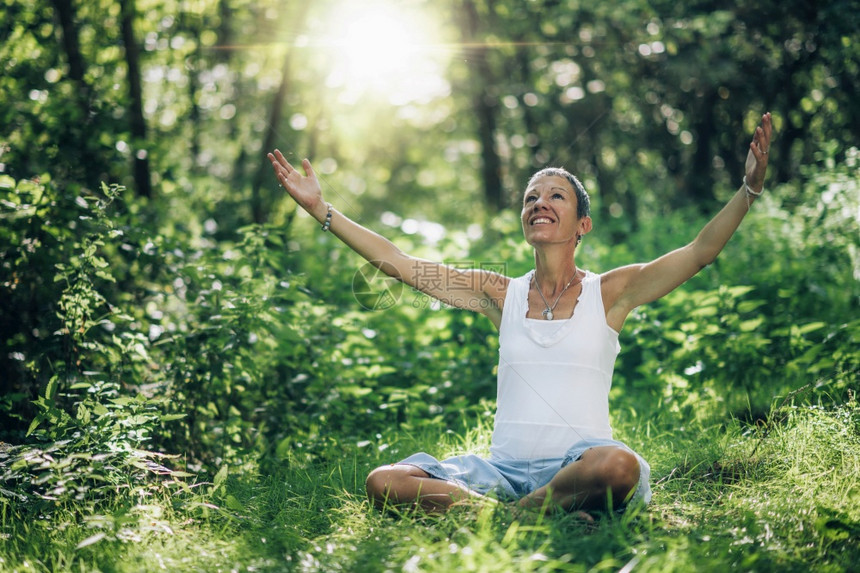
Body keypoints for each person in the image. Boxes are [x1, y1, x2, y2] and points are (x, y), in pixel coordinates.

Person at [268, 112, 773, 516]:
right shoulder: (498, 292)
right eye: (532, 196)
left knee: (618, 465)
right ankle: (526, 512)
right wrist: (324, 212)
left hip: (580, 465)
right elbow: (401, 265)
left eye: (557, 195)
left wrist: (747, 190)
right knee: (385, 481)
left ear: (583, 224)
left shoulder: (611, 292)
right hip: (502, 472)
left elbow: (698, 252)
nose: (540, 202)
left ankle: (512, 515)